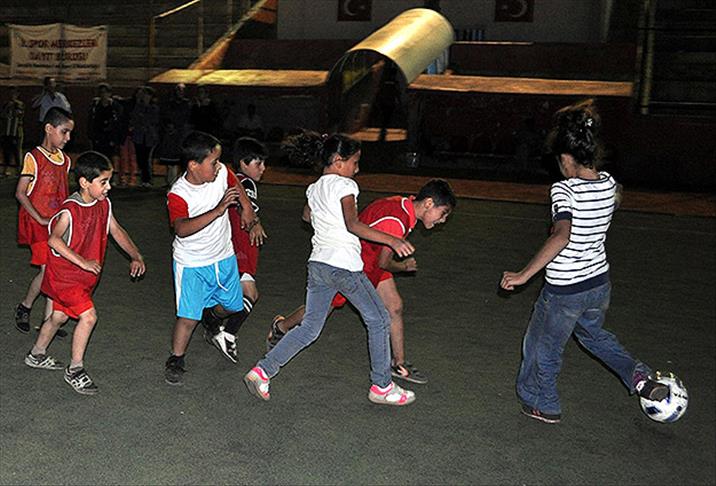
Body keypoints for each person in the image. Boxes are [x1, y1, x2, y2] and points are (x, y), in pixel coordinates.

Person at [500, 100, 669, 424]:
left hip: (565, 290)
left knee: (542, 346)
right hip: (598, 285)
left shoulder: (564, 191)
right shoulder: (608, 183)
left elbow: (561, 236)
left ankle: (542, 403)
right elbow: (614, 199)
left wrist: (524, 274)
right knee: (594, 336)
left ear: (567, 157)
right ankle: (640, 377)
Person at [243, 131, 417, 406]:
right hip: (344, 265)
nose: (356, 169)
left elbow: (307, 215)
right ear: (338, 161)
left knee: (310, 328)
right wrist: (392, 240)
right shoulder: (345, 185)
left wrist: (326, 220)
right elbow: (353, 224)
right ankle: (382, 386)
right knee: (379, 319)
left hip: (318, 265)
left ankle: (262, 371)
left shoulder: (314, 188)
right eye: (354, 163)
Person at [267, 179, 456, 385]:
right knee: (322, 310)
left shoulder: (402, 205)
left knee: (394, 306)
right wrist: (404, 267)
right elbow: (384, 263)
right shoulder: (397, 220)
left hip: (370, 259)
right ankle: (281, 327)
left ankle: (398, 364)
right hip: (355, 266)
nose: (443, 220)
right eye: (443, 213)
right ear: (428, 203)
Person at [24, 151, 145, 395]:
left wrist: (136, 255)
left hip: (81, 278)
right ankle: (75, 369)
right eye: (103, 182)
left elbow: (116, 230)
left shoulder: (104, 204)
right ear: (84, 182)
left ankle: (36, 354)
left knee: (59, 317)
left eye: (109, 181)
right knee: (88, 317)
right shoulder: (70, 210)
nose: (109, 187)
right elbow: (54, 240)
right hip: (64, 277)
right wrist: (83, 262)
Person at [163, 131, 258, 386]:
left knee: (233, 306)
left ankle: (212, 318)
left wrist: (247, 208)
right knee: (188, 317)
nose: (218, 167)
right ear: (193, 165)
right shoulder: (179, 193)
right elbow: (181, 228)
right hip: (192, 263)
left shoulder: (222, 173)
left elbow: (235, 184)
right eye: (213, 162)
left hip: (223, 257)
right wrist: (218, 210)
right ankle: (176, 358)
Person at [202, 137, 268, 362]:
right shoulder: (245, 184)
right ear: (243, 163)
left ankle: (210, 318)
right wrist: (254, 222)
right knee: (249, 295)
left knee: (235, 297)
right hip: (239, 248)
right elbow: (243, 208)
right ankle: (227, 333)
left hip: (230, 246)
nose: (263, 168)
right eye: (258, 163)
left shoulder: (230, 182)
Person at [14, 107, 74, 338]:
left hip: (55, 224)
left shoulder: (65, 160)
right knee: (48, 270)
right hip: (36, 223)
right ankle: (25, 306)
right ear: (49, 128)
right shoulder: (33, 157)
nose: (68, 138)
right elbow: (21, 193)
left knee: (54, 270)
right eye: (64, 132)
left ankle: (48, 322)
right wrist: (38, 217)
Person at [129, 86, 160, 187]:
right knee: (140, 158)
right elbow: (134, 118)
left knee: (147, 158)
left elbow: (153, 120)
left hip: (149, 137)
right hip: (139, 136)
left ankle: (147, 179)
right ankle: (143, 178)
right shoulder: (138, 107)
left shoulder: (154, 108)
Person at [88, 83, 123, 167]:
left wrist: (116, 137)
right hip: (98, 135)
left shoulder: (115, 106)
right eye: (101, 92)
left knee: (109, 157)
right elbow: (91, 120)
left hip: (110, 135)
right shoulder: (95, 105)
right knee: (97, 157)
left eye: (105, 92)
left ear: (109, 93)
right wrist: (91, 134)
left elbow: (118, 122)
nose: (103, 95)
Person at [1, 86, 25, 177]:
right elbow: (2, 115)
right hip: (6, 131)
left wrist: (14, 104)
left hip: (16, 132)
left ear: (17, 94)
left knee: (17, 151)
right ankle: (6, 169)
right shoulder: (6, 104)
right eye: (10, 93)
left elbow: (19, 114)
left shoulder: (19, 104)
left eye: (13, 93)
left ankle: (19, 170)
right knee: (6, 151)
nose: (11, 95)